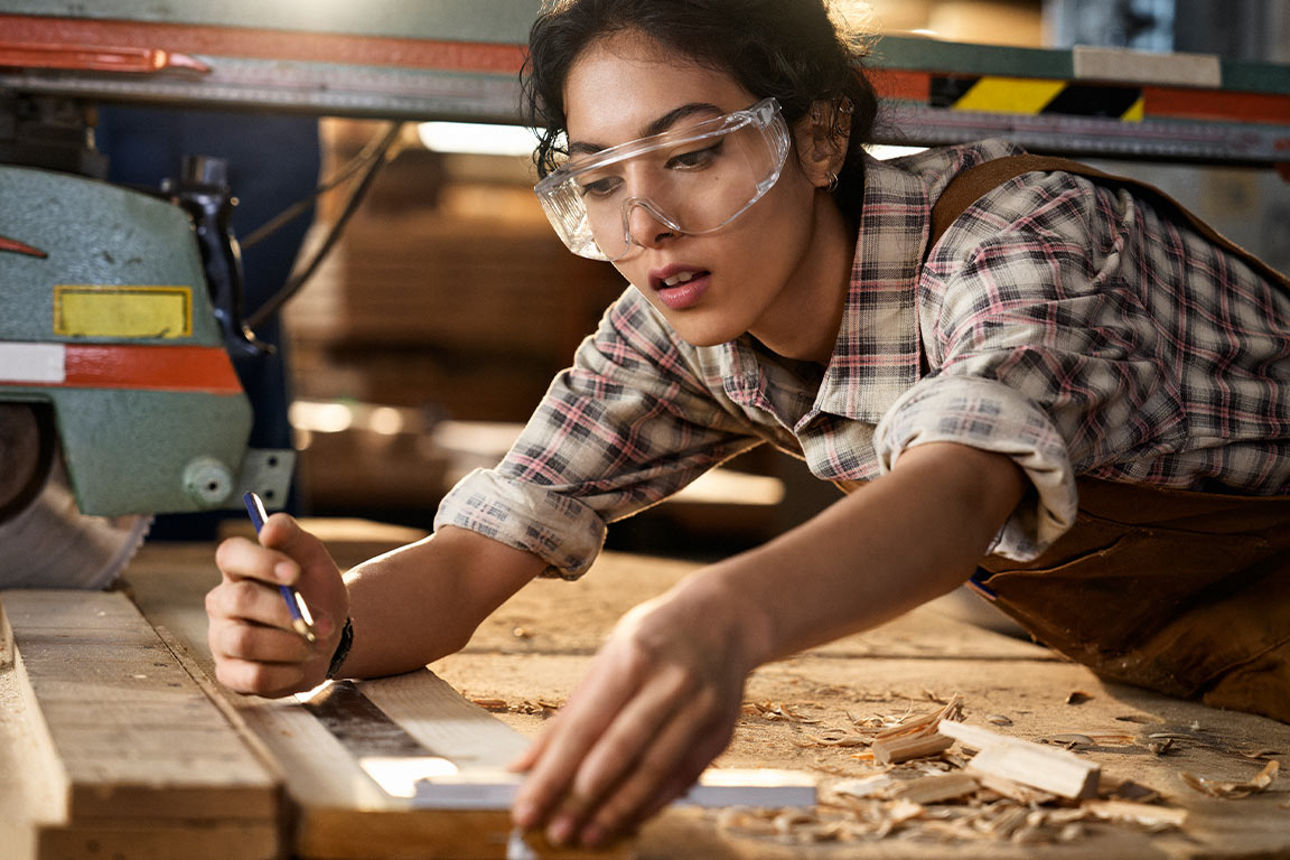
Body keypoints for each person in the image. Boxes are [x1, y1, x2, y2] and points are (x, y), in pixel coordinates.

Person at [205, 0, 1290, 849]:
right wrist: (331, 626)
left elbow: (964, 484)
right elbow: (484, 547)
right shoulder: (677, 326)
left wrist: (717, 616)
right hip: (1213, 680)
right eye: (599, 177)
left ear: (820, 137)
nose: (645, 220)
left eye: (689, 154)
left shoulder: (1022, 237)